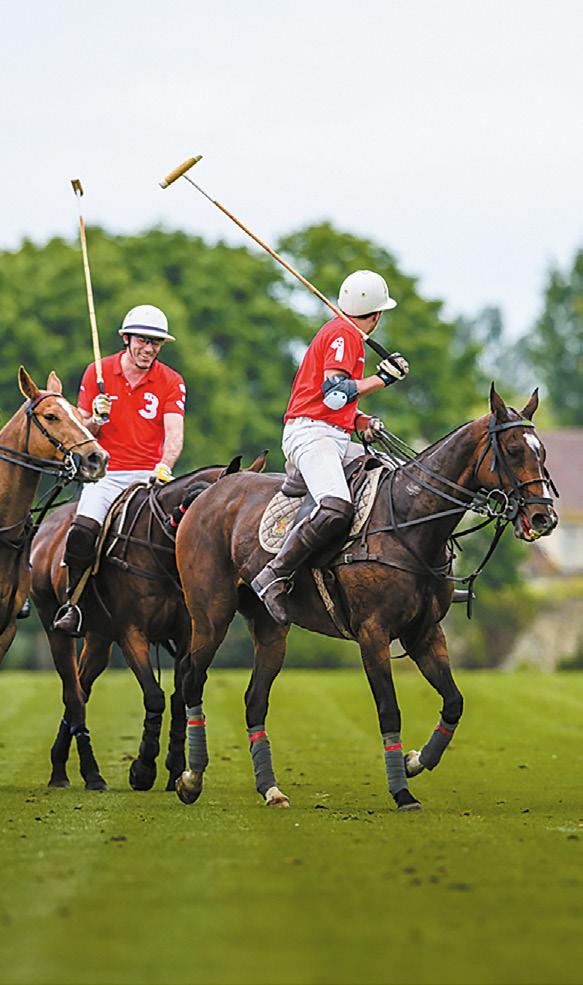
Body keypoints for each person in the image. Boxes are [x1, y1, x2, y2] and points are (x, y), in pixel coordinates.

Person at [251, 269, 409, 625]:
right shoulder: (343, 334)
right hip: (310, 434)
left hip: (334, 433)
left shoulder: (345, 333)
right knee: (336, 506)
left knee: (394, 478)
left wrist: (361, 421)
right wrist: (383, 378)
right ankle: (274, 574)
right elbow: (334, 394)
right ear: (377, 315)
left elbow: (336, 405)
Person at [52, 304, 186, 635]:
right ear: (126, 338)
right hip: (106, 476)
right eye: (143, 340)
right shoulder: (97, 372)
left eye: (156, 343)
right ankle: (74, 605)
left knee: (183, 536)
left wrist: (165, 466)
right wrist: (96, 419)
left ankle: (185, 610)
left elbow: (175, 435)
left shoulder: (171, 380)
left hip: (150, 478)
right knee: (82, 532)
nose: (149, 349)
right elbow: (82, 432)